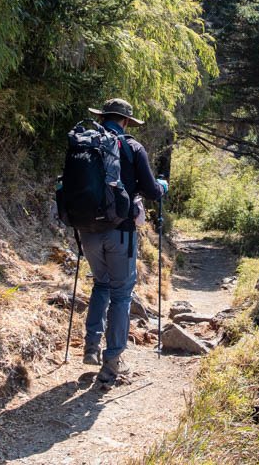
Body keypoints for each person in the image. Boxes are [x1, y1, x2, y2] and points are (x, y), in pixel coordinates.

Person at [80, 98, 168, 383]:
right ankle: (112, 363)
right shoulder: (132, 147)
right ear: (127, 121)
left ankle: (91, 345)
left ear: (103, 116)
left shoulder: (85, 143)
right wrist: (163, 186)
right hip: (121, 233)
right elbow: (153, 191)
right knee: (120, 295)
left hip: (88, 231)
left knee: (100, 284)